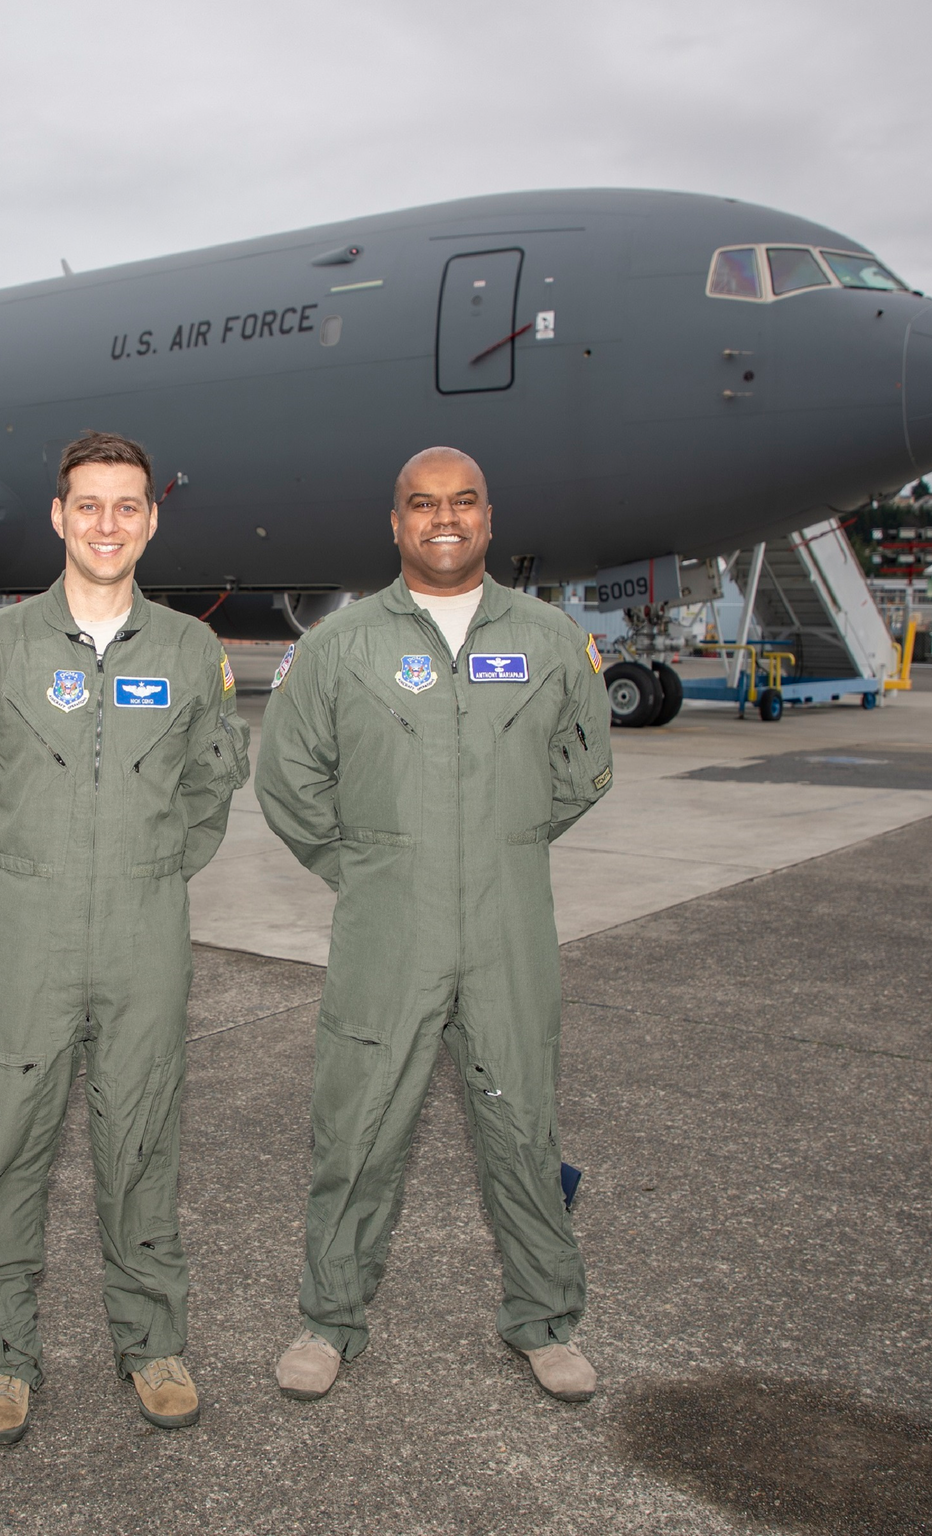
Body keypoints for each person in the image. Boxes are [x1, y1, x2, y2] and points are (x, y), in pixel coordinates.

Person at [254, 446, 613, 1404]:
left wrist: (507, 843)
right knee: (357, 1129)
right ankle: (329, 1321)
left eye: (461, 503)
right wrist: (368, 872)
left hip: (508, 930)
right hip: (387, 935)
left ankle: (544, 1320)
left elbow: (584, 768)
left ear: (489, 520)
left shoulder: (547, 639)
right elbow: (287, 782)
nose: (442, 519)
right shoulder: (340, 646)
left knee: (524, 1126)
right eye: (422, 504)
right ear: (397, 523)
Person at [0, 430, 249, 1444]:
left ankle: (152, 1343)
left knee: (144, 1137)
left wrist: (145, 868)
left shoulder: (193, 653)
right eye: (88, 505)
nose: (107, 524)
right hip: (26, 934)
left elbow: (210, 789)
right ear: (60, 518)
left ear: (151, 521)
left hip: (146, 935)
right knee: (4, 1143)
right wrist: (40, 868)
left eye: (127, 506)